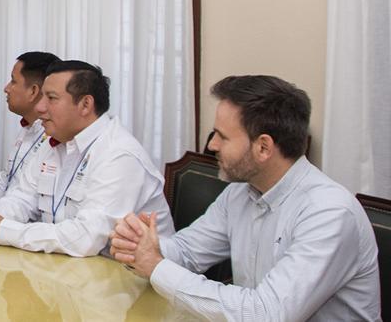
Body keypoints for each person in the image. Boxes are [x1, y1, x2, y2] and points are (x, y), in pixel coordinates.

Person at [109, 75, 380, 319]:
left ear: (263, 147)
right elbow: (188, 252)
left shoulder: (328, 213)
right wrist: (141, 247)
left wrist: (156, 266)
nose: (212, 144)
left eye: (222, 136)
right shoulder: (240, 192)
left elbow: (266, 314)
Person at [0, 60, 172, 257]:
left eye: (51, 98)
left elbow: (86, 239)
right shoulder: (56, 139)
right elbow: (22, 197)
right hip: (68, 268)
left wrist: (5, 231)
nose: (40, 107)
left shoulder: (119, 156)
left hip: (128, 279)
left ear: (85, 105)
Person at [0, 51, 60, 209]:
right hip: (2, 216)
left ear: (33, 91)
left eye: (13, 81)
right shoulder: (27, 128)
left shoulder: (53, 137)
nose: (6, 88)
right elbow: (5, 181)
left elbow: (30, 203)